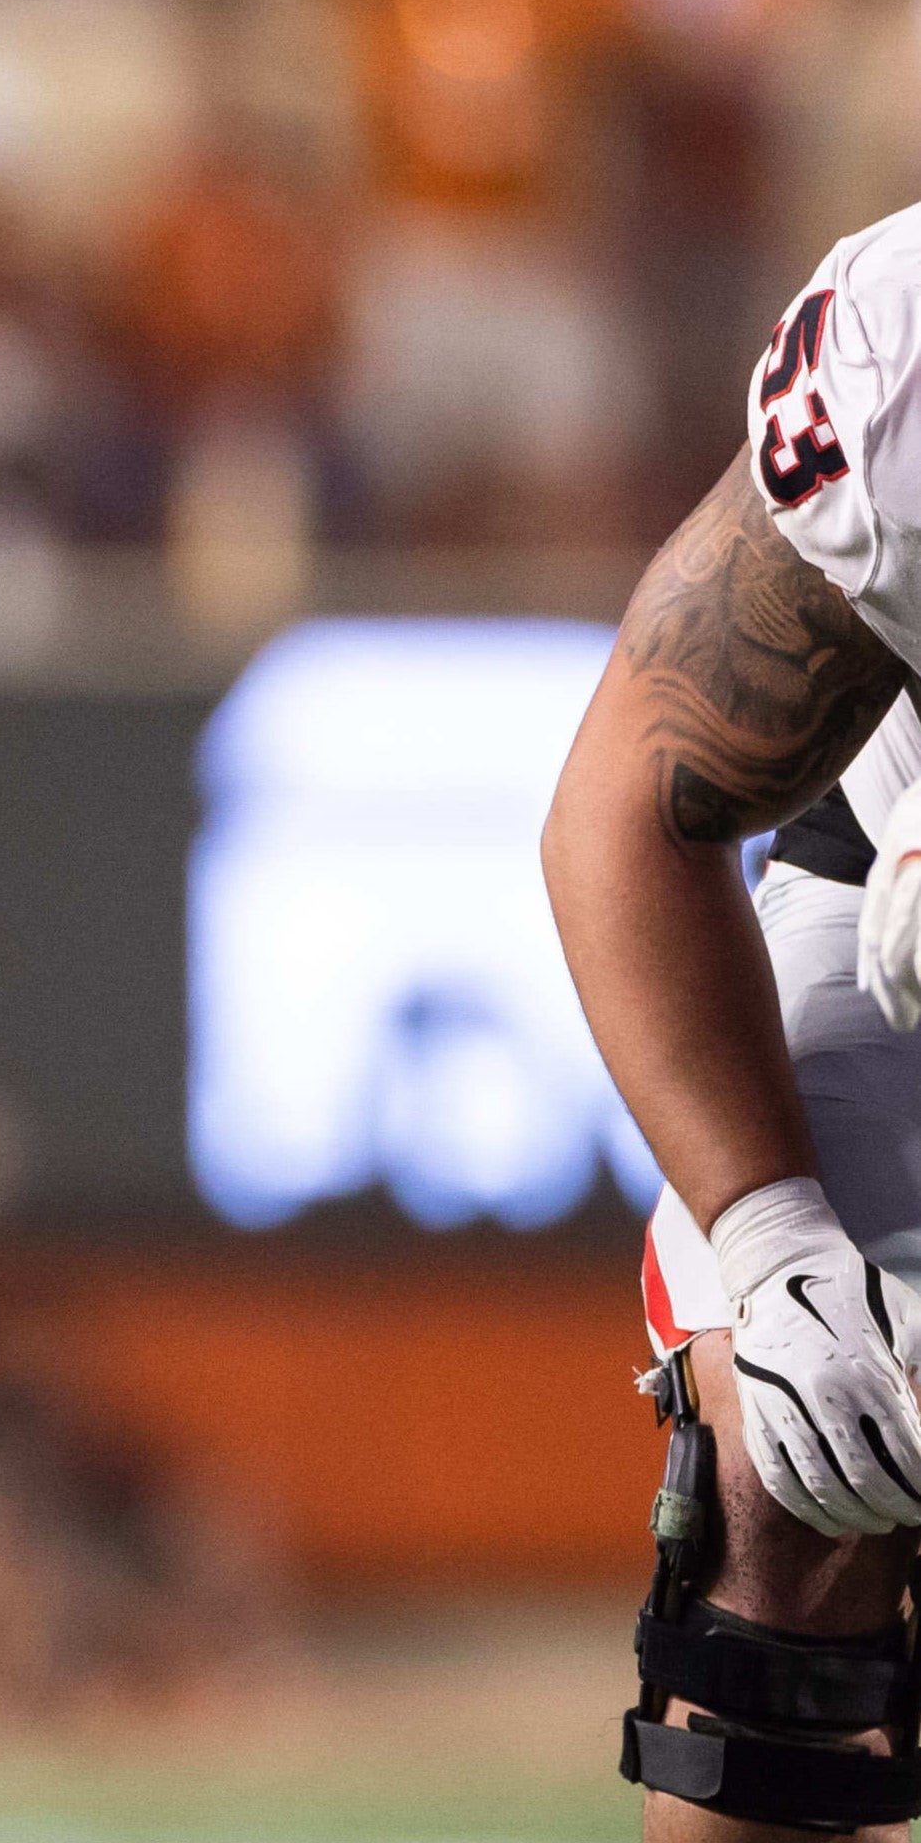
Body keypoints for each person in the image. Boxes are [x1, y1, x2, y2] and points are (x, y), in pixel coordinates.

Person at [545, 205, 921, 1837]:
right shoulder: (900, 364)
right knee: (809, 1446)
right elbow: (623, 808)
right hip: (881, 870)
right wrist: (771, 1248)